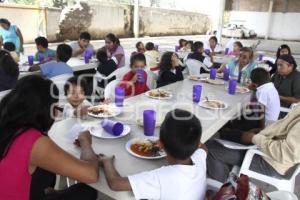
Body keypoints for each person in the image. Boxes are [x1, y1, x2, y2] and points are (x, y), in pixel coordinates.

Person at [0, 75, 99, 200]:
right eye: (55, 107)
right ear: (42, 109)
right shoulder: (34, 142)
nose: (56, 113)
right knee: (88, 191)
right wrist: (85, 142)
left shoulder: (7, 126)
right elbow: (91, 175)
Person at [99, 109, 207, 200]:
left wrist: (107, 162)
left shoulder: (160, 178)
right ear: (196, 144)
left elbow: (115, 183)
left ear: (160, 144)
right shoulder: (199, 159)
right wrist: (189, 138)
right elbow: (204, 148)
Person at [206, 104, 300, 183]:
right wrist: (263, 133)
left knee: (210, 147)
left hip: (269, 163)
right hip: (267, 150)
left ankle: (221, 190)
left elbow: (286, 153)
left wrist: (254, 138)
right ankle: (227, 178)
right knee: (229, 134)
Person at [220, 68, 280, 143]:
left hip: (264, 124)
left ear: (253, 82)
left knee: (225, 131)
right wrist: (255, 88)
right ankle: (231, 128)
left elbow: (261, 111)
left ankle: (228, 132)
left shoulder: (262, 92)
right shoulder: (269, 87)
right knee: (236, 120)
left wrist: (261, 128)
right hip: (269, 121)